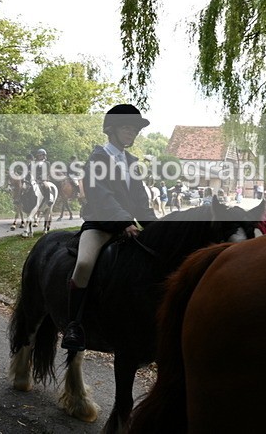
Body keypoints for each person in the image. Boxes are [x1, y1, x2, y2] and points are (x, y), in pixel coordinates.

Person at [61, 104, 157, 351]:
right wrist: (124, 222)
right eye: (127, 127)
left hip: (128, 227)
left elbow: (141, 202)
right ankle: (74, 325)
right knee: (83, 264)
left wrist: (158, 229)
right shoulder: (97, 158)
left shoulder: (132, 162)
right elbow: (101, 196)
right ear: (111, 129)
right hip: (100, 225)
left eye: (135, 129)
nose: (132, 133)